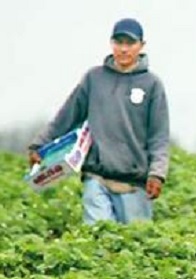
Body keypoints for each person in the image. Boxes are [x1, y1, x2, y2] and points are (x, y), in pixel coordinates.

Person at [28, 18, 170, 225]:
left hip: (134, 181)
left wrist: (157, 174)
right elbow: (67, 116)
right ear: (111, 43)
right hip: (96, 176)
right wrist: (39, 144)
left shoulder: (152, 85)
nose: (123, 49)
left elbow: (159, 136)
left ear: (141, 46)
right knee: (99, 237)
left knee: (135, 242)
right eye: (118, 42)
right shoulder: (94, 79)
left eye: (129, 43)